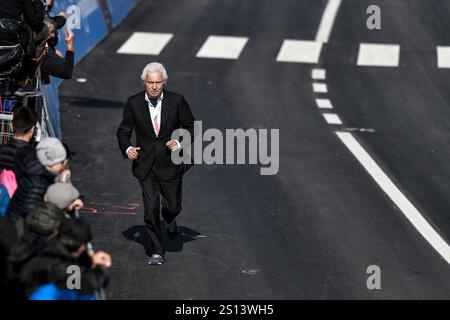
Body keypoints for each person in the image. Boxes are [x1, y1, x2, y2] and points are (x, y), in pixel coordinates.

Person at [116, 62, 195, 265]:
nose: (154, 86)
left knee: (172, 206)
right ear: (144, 82)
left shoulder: (177, 101)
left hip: (170, 163)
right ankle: (157, 251)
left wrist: (178, 142)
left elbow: (191, 127)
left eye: (158, 82)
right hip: (146, 165)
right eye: (150, 82)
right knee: (151, 209)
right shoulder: (133, 103)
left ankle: (170, 220)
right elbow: (124, 131)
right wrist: (128, 149)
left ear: (163, 82)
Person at [6, 137, 71, 226]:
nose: (66, 168)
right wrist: (62, 184)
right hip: (20, 230)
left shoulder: (31, 166)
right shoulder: (38, 183)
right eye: (65, 164)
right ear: (56, 162)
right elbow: (36, 217)